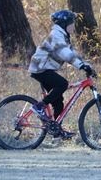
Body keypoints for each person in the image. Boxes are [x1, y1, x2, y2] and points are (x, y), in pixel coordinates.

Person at [28, 10, 95, 139]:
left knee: (58, 103)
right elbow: (65, 54)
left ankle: (56, 131)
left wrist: (87, 65)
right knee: (62, 84)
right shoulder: (56, 35)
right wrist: (81, 66)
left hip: (44, 69)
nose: (74, 26)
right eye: (72, 23)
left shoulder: (63, 36)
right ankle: (39, 106)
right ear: (65, 24)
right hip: (40, 69)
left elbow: (73, 53)